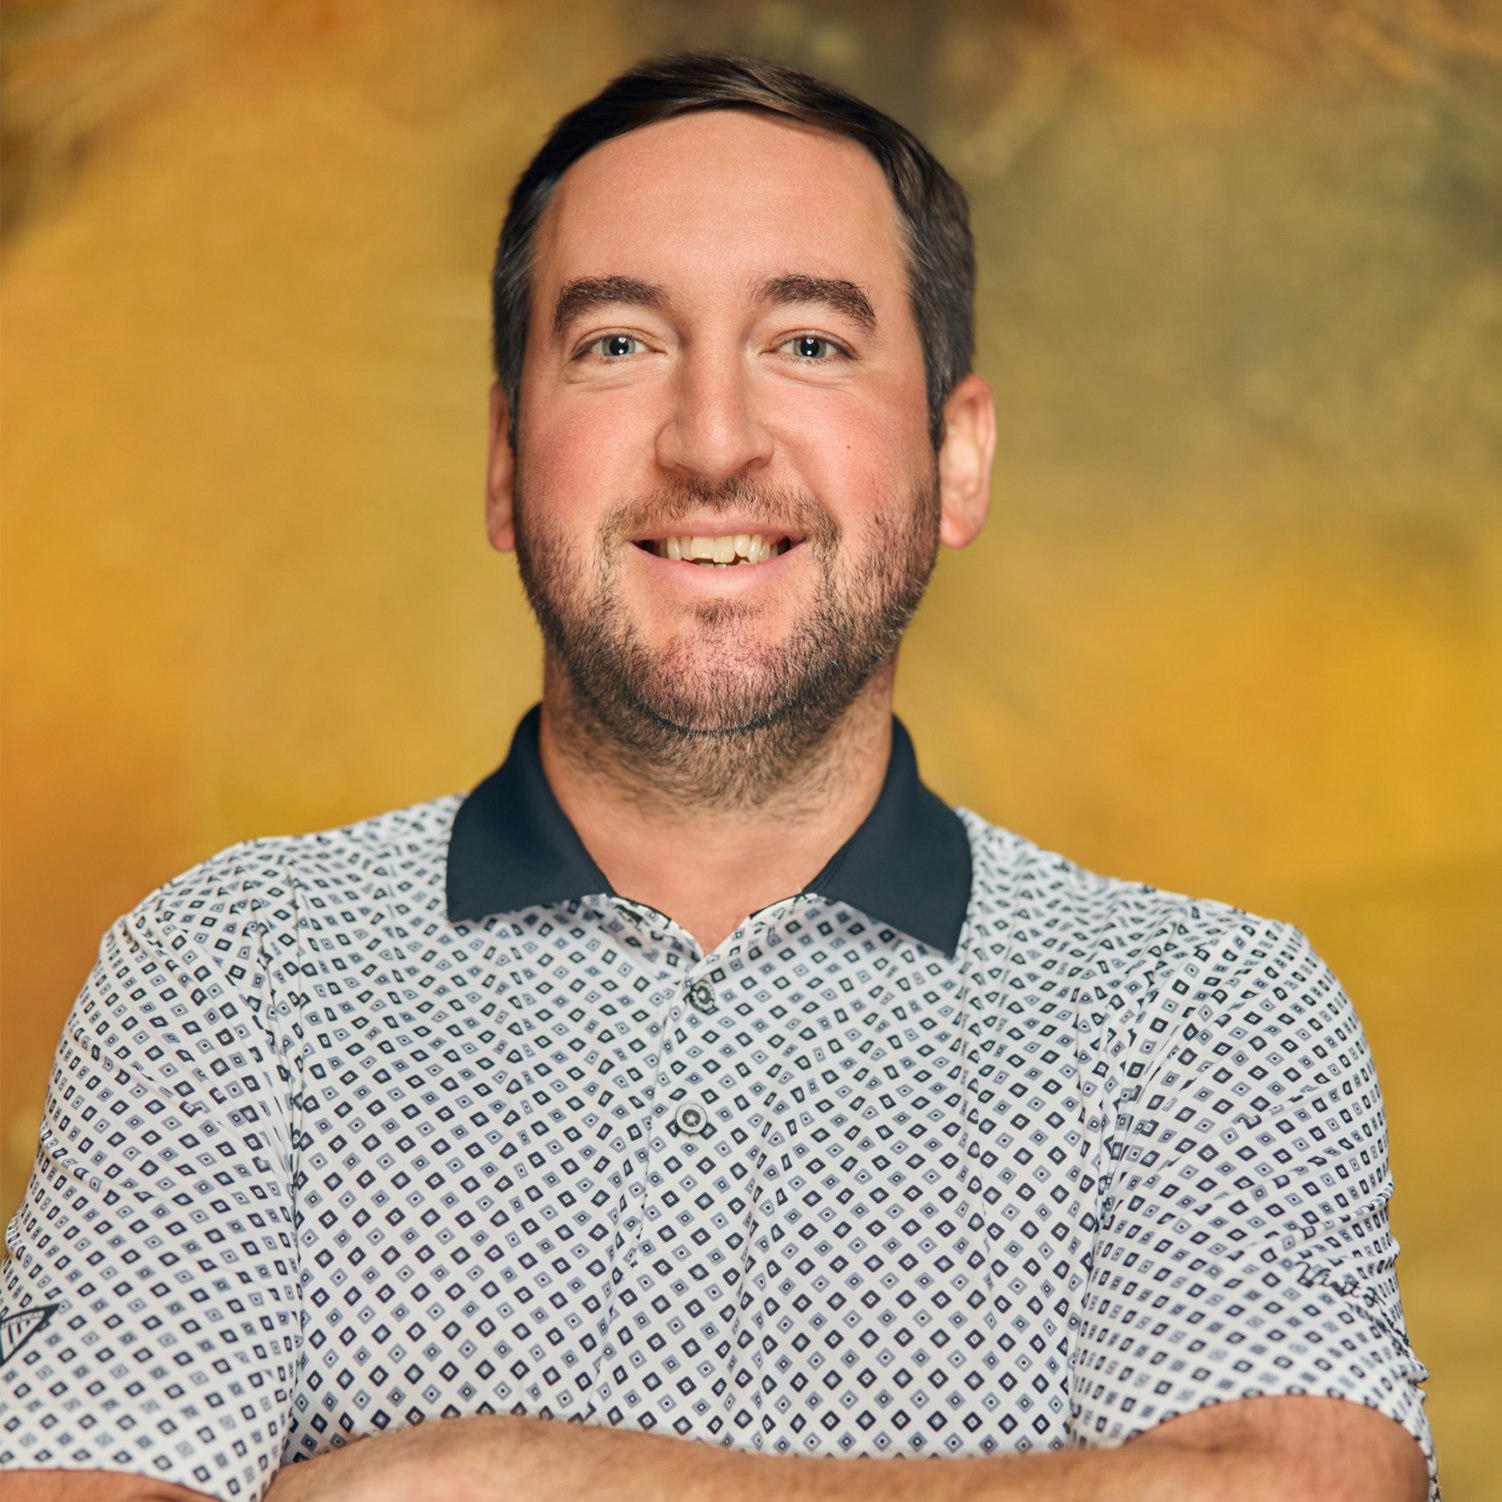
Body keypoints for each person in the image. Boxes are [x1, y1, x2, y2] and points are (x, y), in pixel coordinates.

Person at [0, 53, 1432, 1502]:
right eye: (618, 343)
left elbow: (1292, 1487)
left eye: (807, 342)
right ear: (506, 459)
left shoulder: (1200, 1011)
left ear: (956, 457)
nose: (710, 442)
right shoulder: (226, 977)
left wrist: (495, 1476)